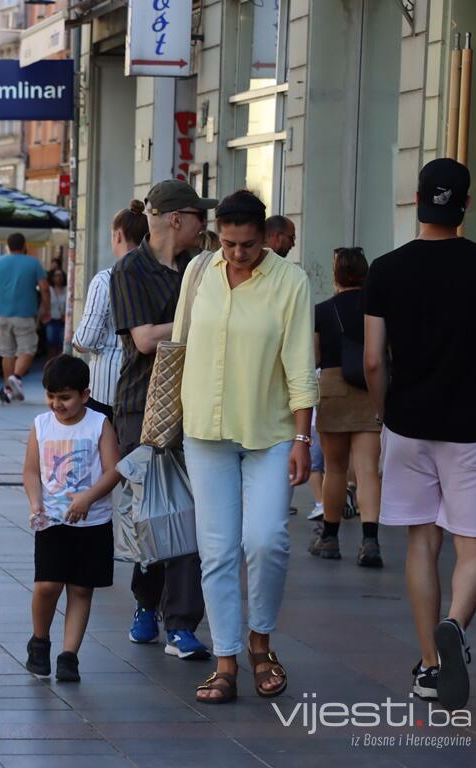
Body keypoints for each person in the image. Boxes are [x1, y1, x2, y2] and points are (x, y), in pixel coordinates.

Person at [175, 190, 317, 704]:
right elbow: (179, 345)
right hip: (204, 433)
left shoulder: (290, 281)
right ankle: (226, 660)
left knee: (266, 540)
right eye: (230, 244)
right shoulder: (198, 272)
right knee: (215, 550)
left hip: (271, 431)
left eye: (249, 245)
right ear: (219, 234)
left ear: (265, 235)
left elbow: (301, 365)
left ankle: (262, 642)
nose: (238, 254)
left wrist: (304, 437)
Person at [364, 158, 476, 711]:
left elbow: (372, 361)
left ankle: (430, 667)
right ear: (465, 206)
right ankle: (456, 626)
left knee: (422, 541)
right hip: (474, 426)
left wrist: (383, 413)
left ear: (417, 199)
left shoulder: (386, 269)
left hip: (407, 423)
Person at [109, 180, 214, 659]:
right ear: (176, 219)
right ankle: (145, 604)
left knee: (189, 515)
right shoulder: (130, 269)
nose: (205, 226)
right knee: (151, 514)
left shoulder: (203, 265)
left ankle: (182, 624)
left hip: (196, 403)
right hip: (141, 405)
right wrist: (196, 318)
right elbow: (146, 339)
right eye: (199, 216)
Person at [23, 355, 121, 683]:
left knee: (81, 589)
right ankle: (39, 641)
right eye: (51, 396)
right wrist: (36, 501)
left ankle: (69, 655)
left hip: (93, 523)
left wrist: (88, 498)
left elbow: (113, 471)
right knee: (47, 584)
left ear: (85, 394)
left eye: (64, 397)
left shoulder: (99, 424)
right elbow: (31, 471)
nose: (56, 404)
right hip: (52, 520)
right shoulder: (41, 425)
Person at [309, 247, 383, 566]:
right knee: (367, 470)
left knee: (334, 468)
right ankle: (370, 541)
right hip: (369, 388)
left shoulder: (322, 310)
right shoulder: (379, 308)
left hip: (333, 388)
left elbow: (312, 358)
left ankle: (329, 537)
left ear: (336, 274)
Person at [73, 200, 149, 415]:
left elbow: (85, 339)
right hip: (145, 384)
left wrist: (78, 341)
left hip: (106, 387)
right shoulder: (156, 277)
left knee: (107, 446)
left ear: (117, 236)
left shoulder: (105, 280)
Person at [0, 232, 49, 404]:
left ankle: (8, 390)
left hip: (3, 315)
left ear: (8, 245)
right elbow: (44, 288)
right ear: (24, 246)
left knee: (7, 353)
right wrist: (46, 309)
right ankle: (15, 379)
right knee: (27, 350)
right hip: (25, 315)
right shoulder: (33, 263)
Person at [45, 268, 67, 360]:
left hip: (63, 321)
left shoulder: (67, 289)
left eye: (61, 275)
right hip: (51, 320)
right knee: (51, 345)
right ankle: (50, 365)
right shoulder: (49, 290)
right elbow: (44, 304)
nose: (59, 278)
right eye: (56, 275)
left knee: (62, 345)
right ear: (52, 278)